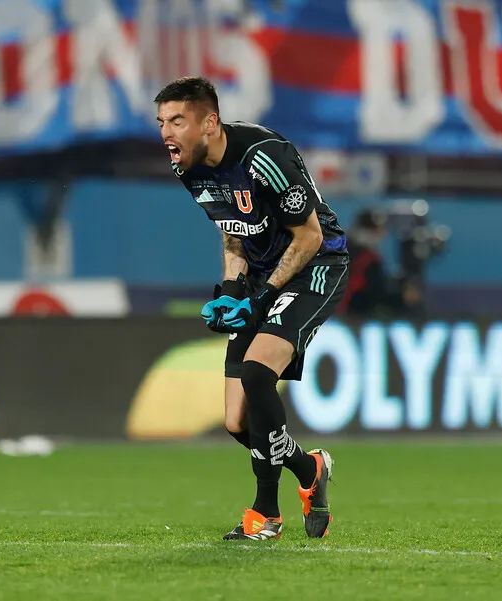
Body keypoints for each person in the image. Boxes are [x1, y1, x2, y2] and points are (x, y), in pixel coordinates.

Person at [155, 76, 349, 541]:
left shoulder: (265, 157)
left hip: (315, 265)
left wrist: (261, 297)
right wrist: (231, 287)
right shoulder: (190, 167)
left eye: (177, 120)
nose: (166, 133)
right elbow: (232, 228)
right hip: (264, 275)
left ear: (210, 122)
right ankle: (309, 468)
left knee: (258, 373)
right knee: (237, 421)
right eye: (161, 122)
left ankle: (265, 515)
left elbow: (309, 237)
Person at [338, 208, 423, 318]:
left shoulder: (341, 247)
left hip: (333, 312)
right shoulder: (367, 258)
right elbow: (374, 293)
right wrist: (402, 298)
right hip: (352, 315)